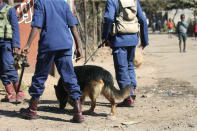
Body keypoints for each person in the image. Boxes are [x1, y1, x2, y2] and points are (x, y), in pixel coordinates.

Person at [19, 0, 84, 123]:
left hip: (48, 46)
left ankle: (32, 110)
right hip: (65, 44)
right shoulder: (63, 3)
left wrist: (28, 44)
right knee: (70, 77)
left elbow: (36, 26)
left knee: (40, 76)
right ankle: (78, 113)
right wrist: (79, 46)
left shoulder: (40, 3)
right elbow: (73, 25)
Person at [102, 0, 149, 107]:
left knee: (121, 68)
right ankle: (132, 90)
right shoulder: (134, 1)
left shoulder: (112, 1)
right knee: (129, 66)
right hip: (133, 39)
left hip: (119, 39)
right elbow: (142, 19)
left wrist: (105, 36)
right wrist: (144, 40)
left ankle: (128, 97)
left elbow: (109, 18)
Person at [0, 0, 24, 102]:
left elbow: (15, 28)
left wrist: (16, 44)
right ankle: (10, 94)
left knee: (8, 66)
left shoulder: (10, 10)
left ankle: (20, 92)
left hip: (6, 43)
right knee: (1, 69)